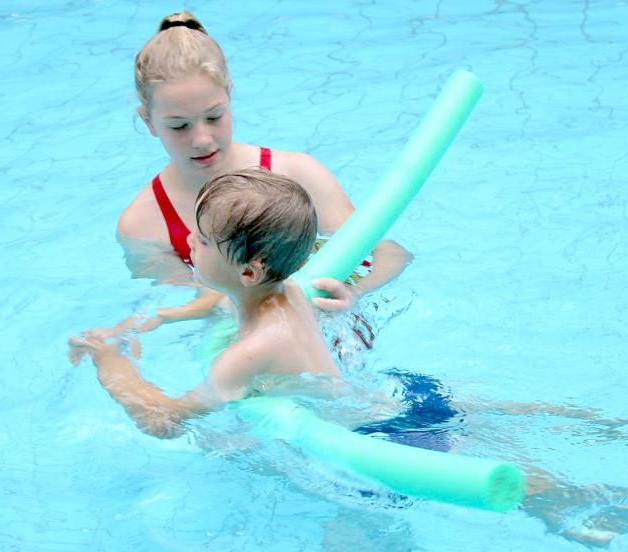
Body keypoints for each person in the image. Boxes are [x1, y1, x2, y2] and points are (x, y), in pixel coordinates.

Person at [87, 10, 411, 344]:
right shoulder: (144, 226)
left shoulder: (297, 174)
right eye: (179, 126)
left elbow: (391, 254)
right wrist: (116, 335)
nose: (201, 139)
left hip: (337, 340)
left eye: (214, 116)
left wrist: (354, 292)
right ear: (149, 121)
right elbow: (189, 308)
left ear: (229, 94)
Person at [69, 169, 341, 437]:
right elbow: (222, 299)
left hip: (353, 447)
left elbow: (163, 421)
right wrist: (167, 316)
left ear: (248, 272)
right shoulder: (288, 291)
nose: (189, 240)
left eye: (203, 239)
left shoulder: (246, 355)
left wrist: (110, 364)